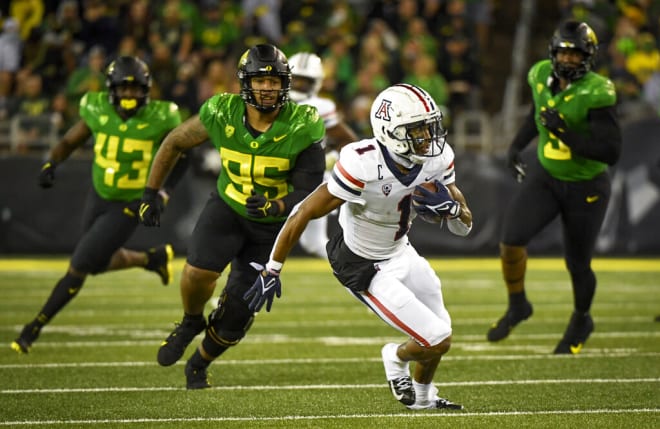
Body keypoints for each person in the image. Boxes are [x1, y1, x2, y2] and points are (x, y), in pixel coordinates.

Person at [246, 83, 472, 410]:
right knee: (436, 338)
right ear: (391, 132)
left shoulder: (437, 160)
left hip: (400, 250)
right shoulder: (363, 163)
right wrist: (273, 268)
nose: (428, 136)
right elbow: (305, 210)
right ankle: (394, 357)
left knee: (439, 333)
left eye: (430, 125)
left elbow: (465, 226)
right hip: (361, 263)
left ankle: (423, 399)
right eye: (418, 129)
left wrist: (452, 210)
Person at [138, 44, 325, 388]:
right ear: (245, 82)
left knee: (238, 314)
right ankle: (191, 320)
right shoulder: (222, 111)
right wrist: (151, 192)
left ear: (286, 83)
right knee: (196, 273)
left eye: (274, 81)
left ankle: (198, 363)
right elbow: (174, 142)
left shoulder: (303, 123)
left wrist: (277, 207)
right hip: (228, 206)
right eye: (259, 81)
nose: (267, 88)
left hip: (271, 227)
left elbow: (310, 192)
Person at [11, 56, 186, 354]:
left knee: (79, 265)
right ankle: (152, 259)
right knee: (97, 261)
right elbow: (71, 140)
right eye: (123, 89)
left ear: (146, 90)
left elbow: (183, 155)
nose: (129, 96)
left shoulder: (163, 116)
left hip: (132, 201)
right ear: (111, 89)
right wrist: (52, 162)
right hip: (100, 194)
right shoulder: (97, 108)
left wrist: (162, 193)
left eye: (134, 89)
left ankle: (33, 328)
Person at [486, 20, 621, 354]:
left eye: (575, 55)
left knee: (577, 263)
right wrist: (516, 146)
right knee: (511, 240)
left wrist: (564, 132)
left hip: (586, 184)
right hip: (546, 176)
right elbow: (538, 113)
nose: (568, 60)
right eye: (564, 53)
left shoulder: (598, 91)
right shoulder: (539, 74)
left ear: (588, 57)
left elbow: (610, 151)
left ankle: (581, 318)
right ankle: (518, 303)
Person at [288, 51, 358, 258]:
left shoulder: (320, 107)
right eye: (296, 80)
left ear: (316, 83)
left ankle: (353, 270)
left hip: (309, 180)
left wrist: (332, 158)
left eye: (305, 81)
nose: (299, 85)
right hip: (276, 175)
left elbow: (348, 141)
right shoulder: (273, 101)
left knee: (313, 242)